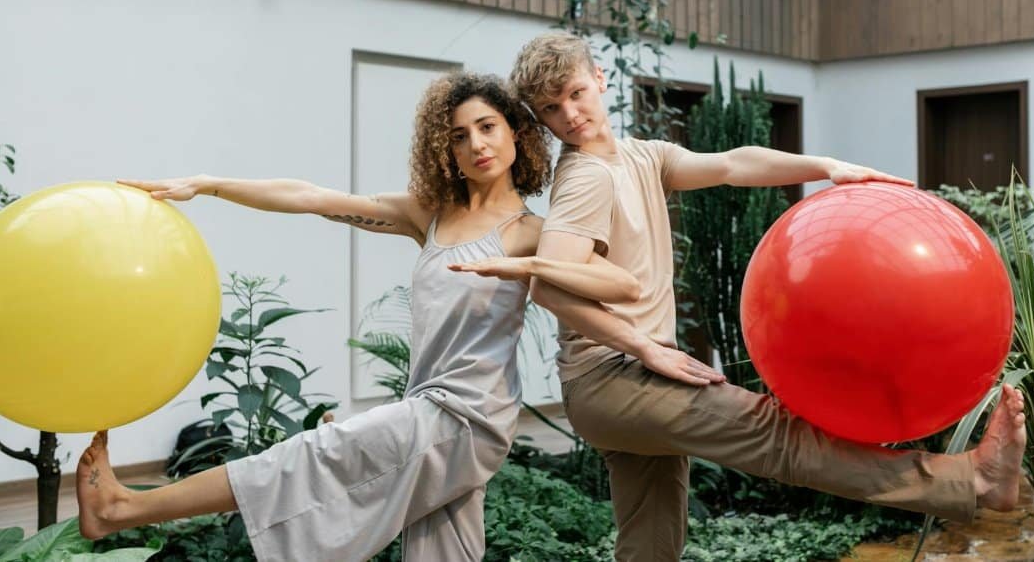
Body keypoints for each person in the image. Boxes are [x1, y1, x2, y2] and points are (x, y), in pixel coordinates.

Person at [474, 32, 1027, 562]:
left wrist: (827, 168)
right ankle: (972, 481)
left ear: (598, 78)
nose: (570, 115)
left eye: (575, 94)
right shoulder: (585, 177)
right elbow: (549, 282)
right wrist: (646, 350)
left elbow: (733, 164)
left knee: (652, 538)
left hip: (616, 386)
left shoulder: (641, 157)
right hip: (614, 378)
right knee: (776, 434)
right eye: (550, 109)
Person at [75, 72, 641, 562]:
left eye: (488, 127)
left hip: (468, 418)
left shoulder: (532, 235)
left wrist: (528, 267)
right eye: (460, 136)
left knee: (313, 454)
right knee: (444, 552)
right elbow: (312, 196)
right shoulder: (429, 216)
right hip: (430, 406)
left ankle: (124, 508)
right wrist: (209, 185)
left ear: (515, 132)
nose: (476, 145)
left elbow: (620, 282)